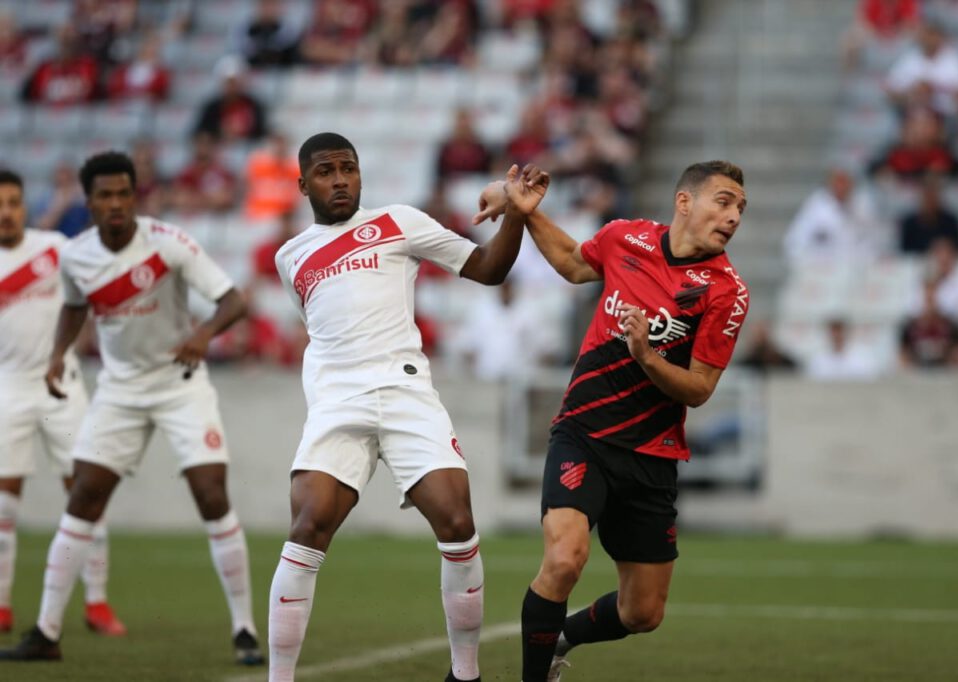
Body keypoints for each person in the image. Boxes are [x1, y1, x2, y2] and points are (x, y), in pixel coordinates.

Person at [266, 132, 548, 682]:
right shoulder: (289, 256)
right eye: (325, 171)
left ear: (361, 174)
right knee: (307, 526)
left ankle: (464, 674)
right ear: (303, 185)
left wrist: (514, 213)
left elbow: (488, 269)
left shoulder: (399, 221)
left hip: (404, 391)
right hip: (336, 400)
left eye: (348, 167)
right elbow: (322, 329)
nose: (340, 179)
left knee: (457, 520)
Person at [0, 152, 264, 666]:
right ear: (90, 201)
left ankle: (245, 629)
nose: (117, 203)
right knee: (83, 499)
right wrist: (57, 356)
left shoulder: (169, 243)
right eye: (105, 195)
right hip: (119, 392)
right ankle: (47, 633)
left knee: (211, 494)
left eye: (124, 193)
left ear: (134, 197)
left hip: (181, 384)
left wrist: (203, 334)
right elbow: (74, 307)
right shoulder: (75, 257)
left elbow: (233, 299)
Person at [503, 161, 751, 681]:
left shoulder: (726, 291)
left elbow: (701, 389)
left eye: (740, 209)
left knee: (643, 613)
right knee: (566, 558)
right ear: (685, 202)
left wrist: (647, 356)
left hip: (651, 456)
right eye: (723, 201)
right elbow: (574, 262)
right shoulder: (625, 238)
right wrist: (530, 216)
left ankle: (563, 636)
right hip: (584, 434)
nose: (733, 216)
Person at [0, 169, 124, 637]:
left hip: (62, 386)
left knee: (86, 493)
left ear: (23, 205)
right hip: (8, 388)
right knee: (4, 505)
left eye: (13, 201)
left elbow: (97, 287)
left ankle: (97, 602)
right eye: (0, 203)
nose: (6, 211)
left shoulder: (55, 247)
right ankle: (3, 606)